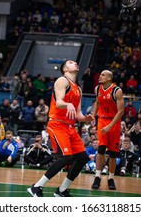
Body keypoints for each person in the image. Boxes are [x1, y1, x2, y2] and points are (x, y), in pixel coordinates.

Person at [27, 60, 94, 197]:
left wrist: (85, 118)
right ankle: (36, 187)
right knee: (66, 157)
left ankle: (62, 190)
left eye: (75, 62)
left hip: (70, 127)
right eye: (70, 62)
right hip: (57, 124)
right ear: (65, 69)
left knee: (82, 158)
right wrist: (67, 104)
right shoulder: (62, 81)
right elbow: (59, 102)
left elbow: (78, 114)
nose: (75, 63)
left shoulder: (78, 88)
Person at [91, 70, 124, 191]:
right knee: (101, 149)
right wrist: (93, 116)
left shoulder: (117, 91)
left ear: (109, 78)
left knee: (113, 153)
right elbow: (98, 103)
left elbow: (121, 111)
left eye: (103, 75)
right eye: (100, 75)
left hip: (114, 122)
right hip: (102, 120)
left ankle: (111, 178)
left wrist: (110, 125)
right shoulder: (97, 89)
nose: (100, 76)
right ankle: (97, 176)